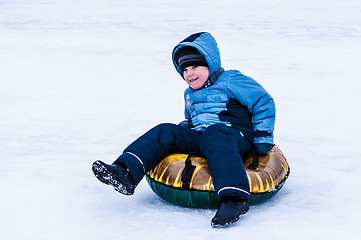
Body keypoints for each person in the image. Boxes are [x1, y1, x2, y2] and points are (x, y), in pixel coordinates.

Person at [92, 32, 275, 227]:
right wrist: (180, 134)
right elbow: (191, 120)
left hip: (233, 136)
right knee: (165, 130)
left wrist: (263, 137)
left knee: (215, 132)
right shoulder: (189, 94)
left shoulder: (231, 79)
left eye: (195, 66)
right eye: (185, 69)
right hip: (203, 137)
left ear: (209, 64)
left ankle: (234, 199)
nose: (189, 74)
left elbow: (263, 101)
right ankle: (125, 172)